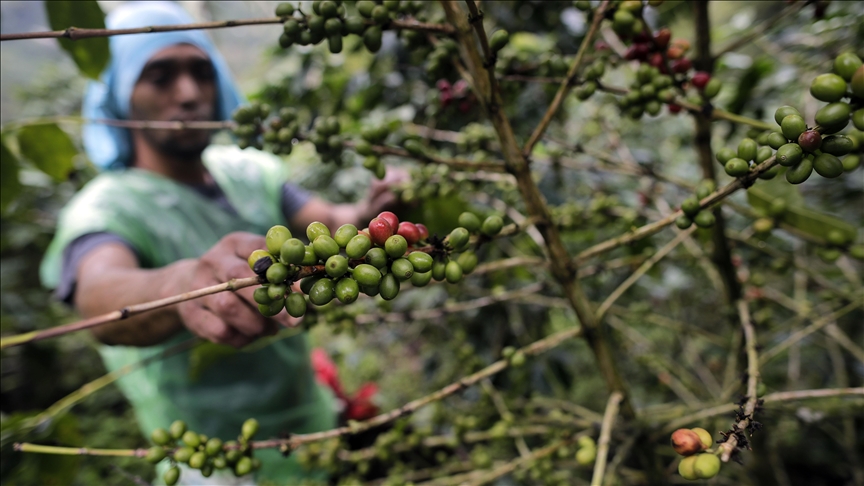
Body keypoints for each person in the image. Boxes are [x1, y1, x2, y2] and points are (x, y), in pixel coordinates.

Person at [38, 2, 398, 484]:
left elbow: (332, 223)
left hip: (312, 426)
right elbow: (100, 293)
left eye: (201, 72)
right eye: (160, 77)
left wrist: (377, 214)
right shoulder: (105, 208)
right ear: (122, 93)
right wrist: (184, 283)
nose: (188, 93)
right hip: (217, 463)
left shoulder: (251, 170)